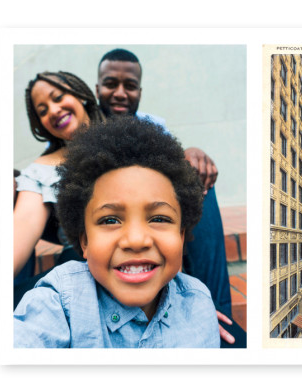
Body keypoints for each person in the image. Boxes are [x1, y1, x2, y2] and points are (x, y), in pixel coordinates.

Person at [14, 116, 220, 348]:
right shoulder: (60, 300)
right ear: (85, 241)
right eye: (110, 219)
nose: (136, 240)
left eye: (159, 218)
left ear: (181, 236)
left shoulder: (198, 304)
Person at [96, 49, 243, 346]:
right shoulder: (86, 127)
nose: (121, 93)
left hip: (155, 219)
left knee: (197, 180)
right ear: (98, 88)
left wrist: (191, 154)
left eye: (131, 85)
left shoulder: (153, 126)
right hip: (114, 226)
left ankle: (217, 312)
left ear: (140, 90)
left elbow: (174, 164)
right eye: (111, 84)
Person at [14, 71, 105, 281]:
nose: (53, 111)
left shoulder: (130, 139)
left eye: (58, 97)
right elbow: (21, 228)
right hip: (78, 274)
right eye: (43, 111)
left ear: (79, 94)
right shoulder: (40, 171)